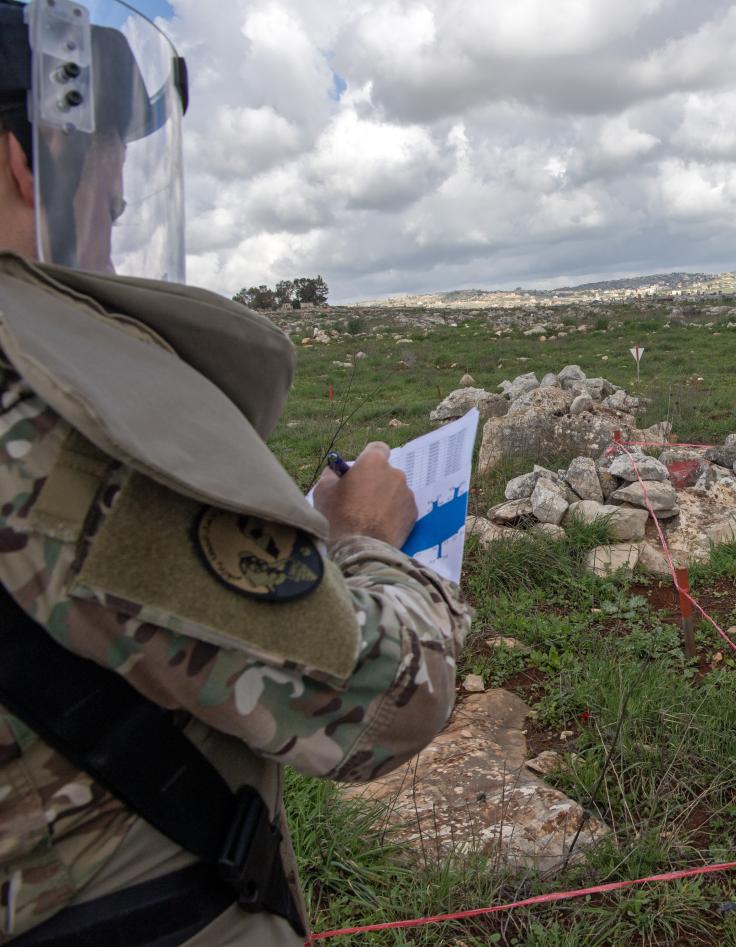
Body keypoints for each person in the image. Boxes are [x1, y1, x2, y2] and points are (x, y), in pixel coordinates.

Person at [0, 2, 469, 944]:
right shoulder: (54, 426)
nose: (119, 206)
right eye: (106, 178)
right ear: (24, 159)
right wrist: (366, 538)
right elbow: (382, 696)